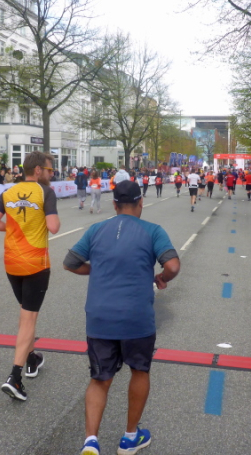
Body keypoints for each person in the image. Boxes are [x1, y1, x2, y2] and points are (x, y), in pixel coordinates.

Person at [63, 180, 180, 455]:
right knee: (139, 371)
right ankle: (129, 438)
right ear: (141, 202)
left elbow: (70, 263)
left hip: (100, 317)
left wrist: (98, 269)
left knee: (99, 379)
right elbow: (173, 266)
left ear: (114, 205)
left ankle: (90, 442)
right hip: (136, 318)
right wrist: (161, 277)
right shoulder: (152, 230)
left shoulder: (96, 229)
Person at [0, 151, 60, 401]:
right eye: (49, 170)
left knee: (25, 312)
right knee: (28, 318)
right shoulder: (45, 192)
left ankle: (31, 359)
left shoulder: (8, 192)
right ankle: (14, 377)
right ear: (38, 170)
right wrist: (39, 220)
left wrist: (14, 226)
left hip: (12, 263)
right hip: (36, 263)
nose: (51, 174)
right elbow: (54, 227)